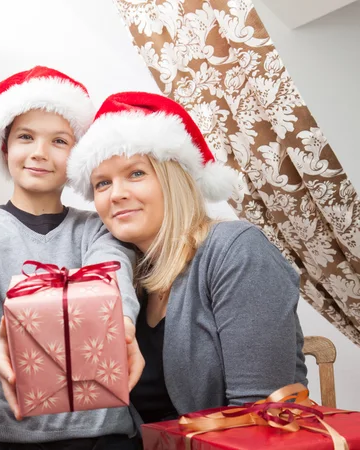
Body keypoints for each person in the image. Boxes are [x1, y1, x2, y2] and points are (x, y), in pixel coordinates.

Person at [67, 91, 308, 424]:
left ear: (175, 179)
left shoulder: (235, 250)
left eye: (136, 173)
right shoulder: (129, 279)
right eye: (102, 183)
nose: (117, 194)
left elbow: (259, 418)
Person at [0, 68, 144, 449]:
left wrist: (123, 326)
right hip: (10, 439)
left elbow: (115, 279)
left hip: (105, 438)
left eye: (59, 141)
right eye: (25, 137)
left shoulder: (97, 228)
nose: (39, 152)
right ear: (4, 147)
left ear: (77, 155)